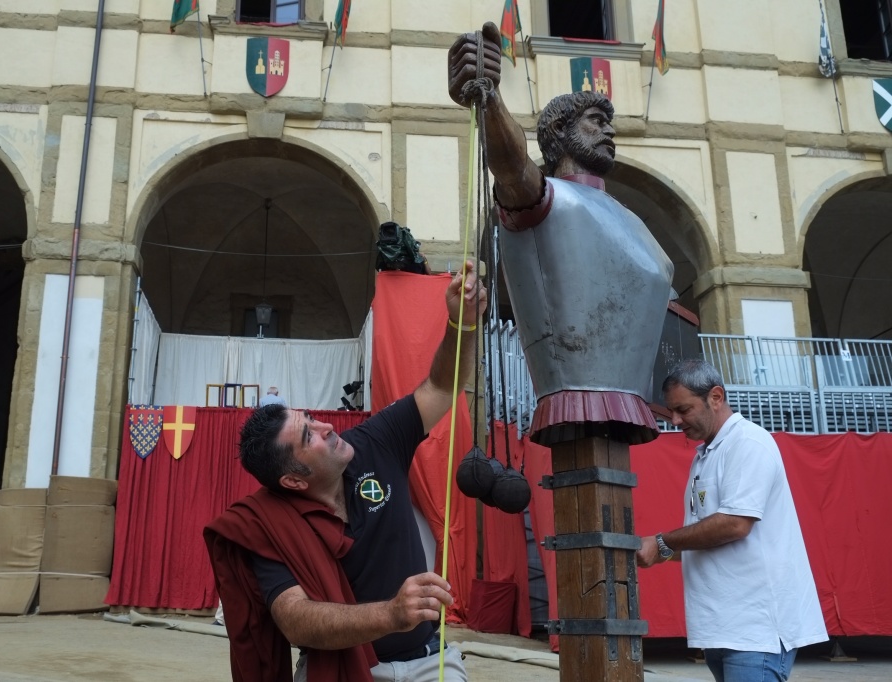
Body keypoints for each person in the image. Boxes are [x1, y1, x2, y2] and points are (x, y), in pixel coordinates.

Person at [206, 262, 486, 682]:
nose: (326, 426)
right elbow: (297, 620)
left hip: (429, 661)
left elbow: (441, 388)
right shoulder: (269, 525)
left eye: (311, 418)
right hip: (336, 669)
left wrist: (460, 325)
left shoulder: (375, 442)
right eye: (308, 435)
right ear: (294, 480)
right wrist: (391, 613)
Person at [447, 23, 673, 447]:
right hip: (572, 393)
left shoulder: (629, 217)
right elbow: (513, 168)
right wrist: (490, 99)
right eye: (595, 121)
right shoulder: (547, 197)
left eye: (609, 123)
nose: (609, 132)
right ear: (556, 132)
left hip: (629, 398)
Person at [636, 359, 827, 681]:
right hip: (723, 628)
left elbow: (735, 524)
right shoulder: (706, 454)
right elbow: (706, 540)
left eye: (684, 409)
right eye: (671, 411)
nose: (676, 420)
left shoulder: (748, 443)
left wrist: (661, 543)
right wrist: (654, 551)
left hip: (756, 630)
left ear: (716, 396)